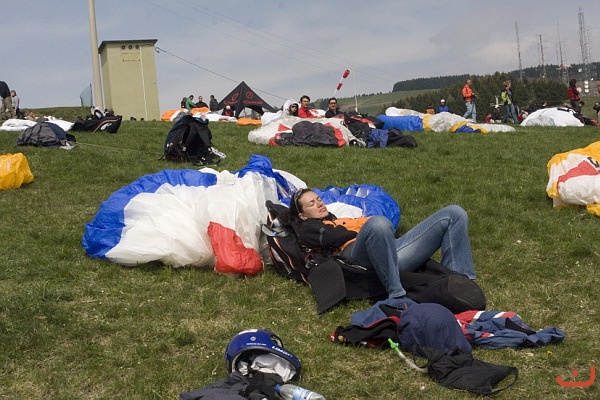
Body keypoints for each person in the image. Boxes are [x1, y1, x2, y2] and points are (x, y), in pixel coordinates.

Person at [289, 189, 476, 299]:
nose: (319, 204)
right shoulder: (308, 228)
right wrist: (360, 231)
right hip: (358, 257)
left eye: (319, 199)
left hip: (391, 250)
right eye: (311, 204)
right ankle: (396, 294)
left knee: (454, 213)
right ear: (302, 215)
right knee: (378, 223)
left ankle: (462, 285)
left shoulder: (338, 219)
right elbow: (332, 237)